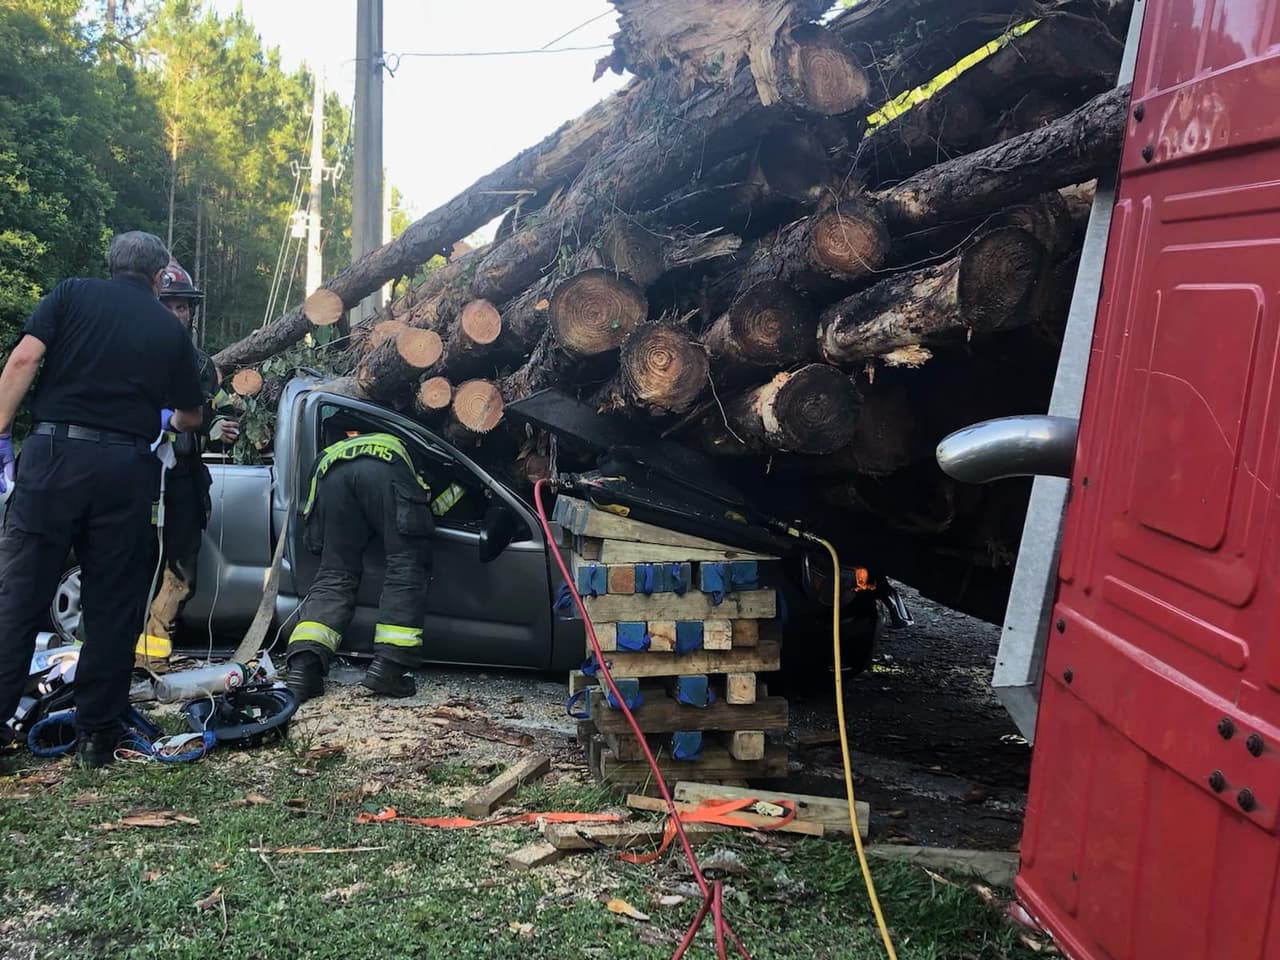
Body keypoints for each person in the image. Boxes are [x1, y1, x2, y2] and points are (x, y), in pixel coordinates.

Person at [0, 231, 205, 768]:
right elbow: (190, 416)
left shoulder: (69, 294)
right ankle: (96, 737)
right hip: (124, 467)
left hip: (52, 457)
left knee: (19, 598)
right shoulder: (169, 328)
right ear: (160, 274)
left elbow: (23, 361)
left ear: (110, 263)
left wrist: (2, 430)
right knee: (113, 606)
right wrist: (166, 420)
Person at [283, 425, 438, 703]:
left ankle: (303, 670)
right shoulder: (417, 447)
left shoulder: (339, 447)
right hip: (384, 469)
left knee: (335, 573)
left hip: (331, 473)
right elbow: (430, 505)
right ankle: (389, 668)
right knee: (406, 566)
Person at [146, 258, 239, 644]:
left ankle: (150, 654)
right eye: (166, 305)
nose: (174, 314)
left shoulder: (201, 365)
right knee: (120, 568)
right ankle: (96, 659)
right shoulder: (127, 353)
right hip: (137, 475)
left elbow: (224, 407)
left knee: (181, 573)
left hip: (183, 479)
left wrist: (221, 425)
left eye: (181, 306)